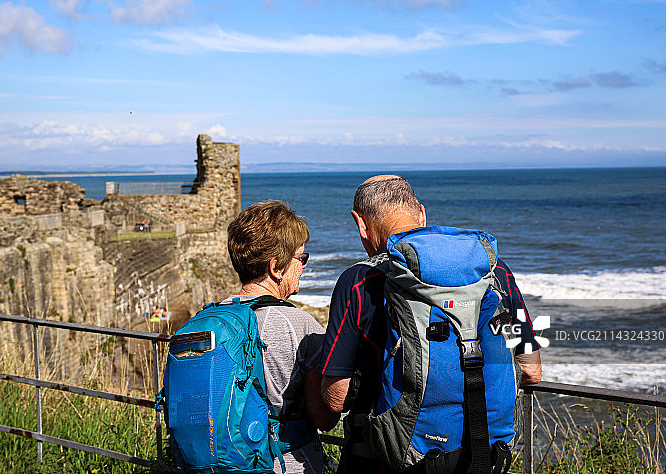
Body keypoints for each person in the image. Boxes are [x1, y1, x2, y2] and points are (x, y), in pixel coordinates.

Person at [319, 175, 542, 473]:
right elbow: (531, 369)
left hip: (391, 460)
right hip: (482, 457)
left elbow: (335, 397)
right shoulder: (494, 272)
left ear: (361, 223)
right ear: (422, 214)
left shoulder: (359, 281)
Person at [224, 200, 340, 474]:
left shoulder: (211, 318)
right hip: (284, 464)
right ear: (277, 268)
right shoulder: (300, 325)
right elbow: (324, 418)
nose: (304, 267)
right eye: (302, 258)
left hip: (223, 461)